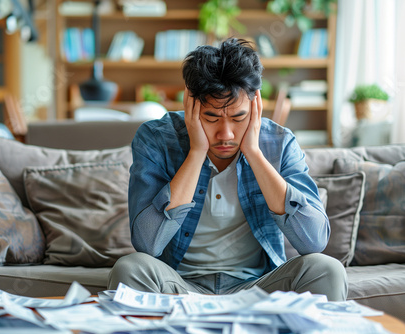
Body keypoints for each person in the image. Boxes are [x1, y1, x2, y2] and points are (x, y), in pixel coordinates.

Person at [108, 38, 347, 301]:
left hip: (260, 286)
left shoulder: (279, 142)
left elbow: (313, 241)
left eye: (238, 117)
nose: (226, 134)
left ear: (256, 104)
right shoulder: (156, 139)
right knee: (130, 268)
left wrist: (254, 154)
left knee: (327, 269)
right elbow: (147, 243)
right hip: (178, 285)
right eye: (211, 117)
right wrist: (196, 153)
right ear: (190, 103)